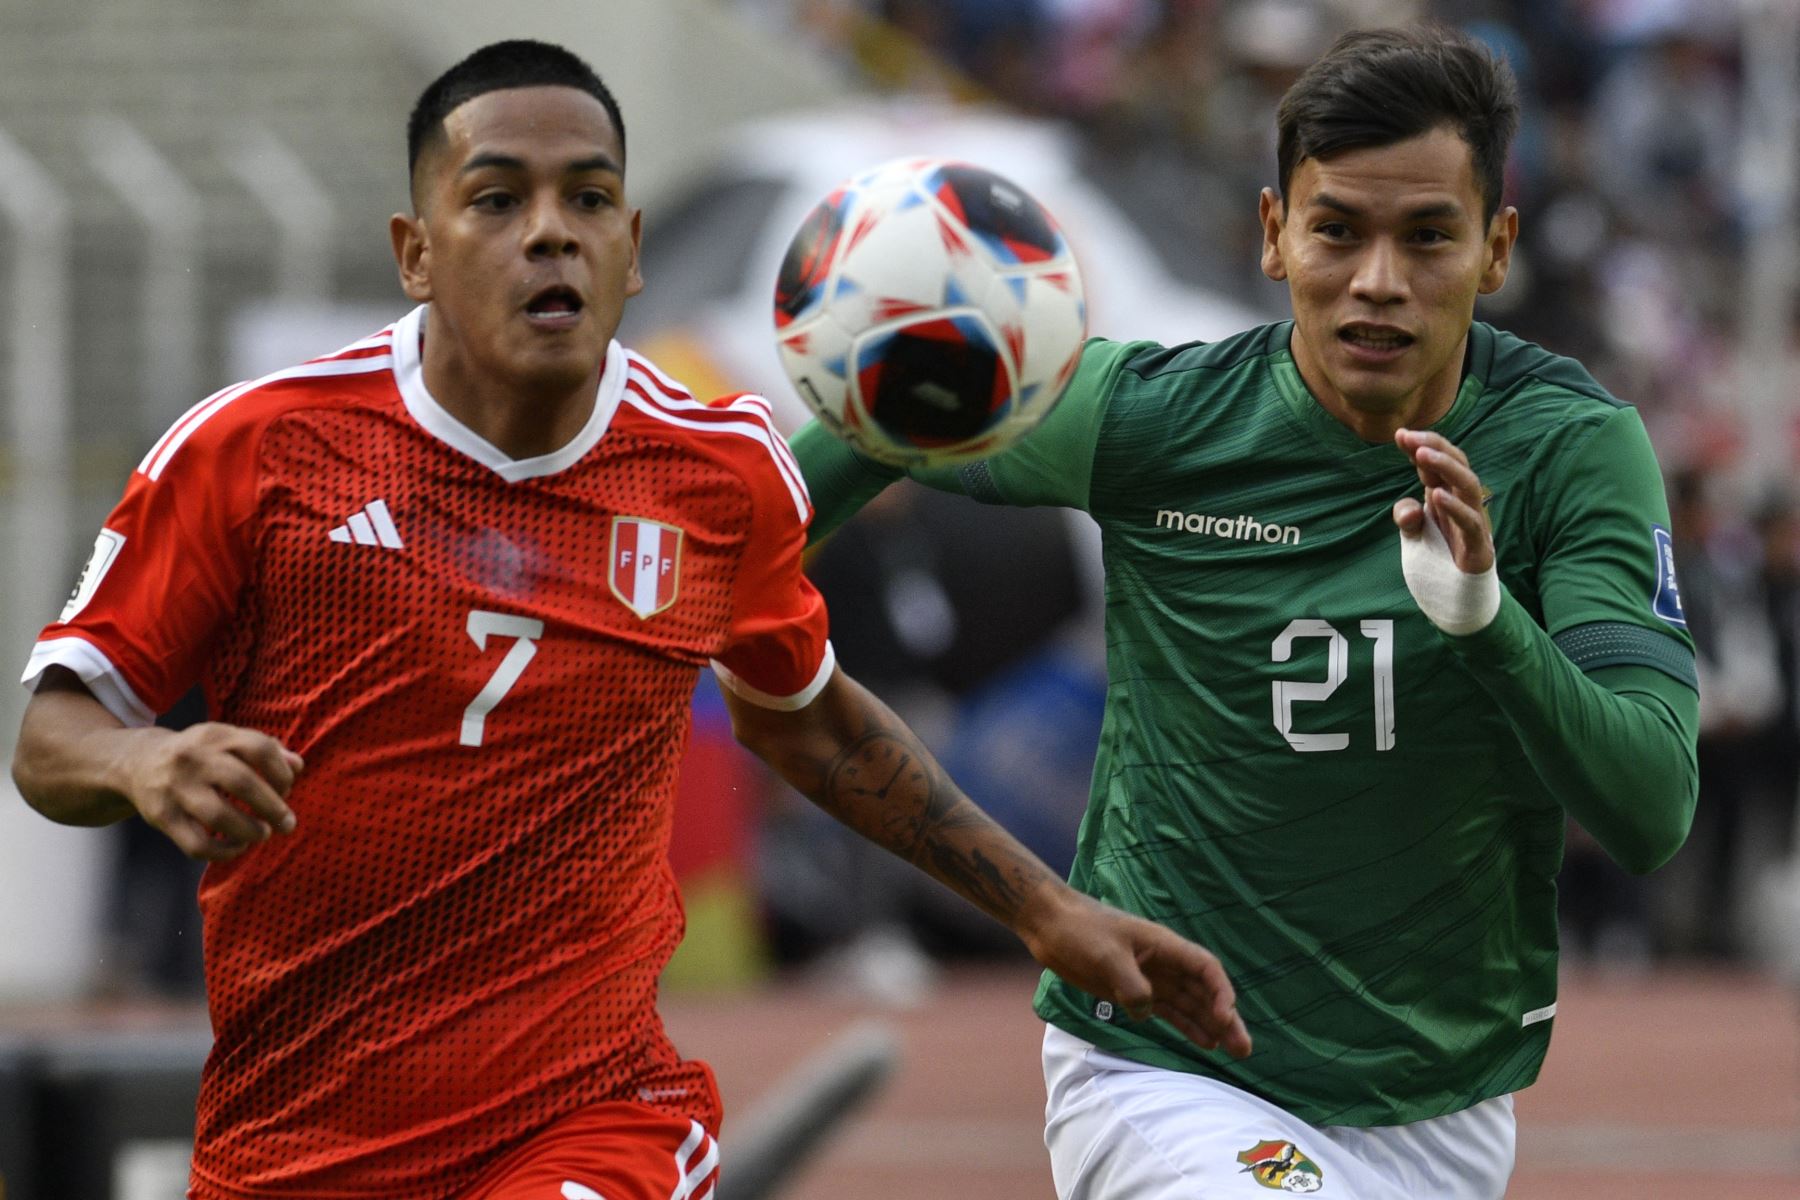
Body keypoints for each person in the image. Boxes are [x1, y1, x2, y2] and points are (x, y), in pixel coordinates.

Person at [8, 39, 1249, 1200]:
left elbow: (809, 724)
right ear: (415, 249)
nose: (550, 232)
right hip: (296, 1134)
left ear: (635, 243)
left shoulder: (719, 470)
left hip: (595, 1118)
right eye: (497, 200)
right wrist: (147, 757)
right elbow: (52, 740)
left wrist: (1048, 910)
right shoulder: (257, 449)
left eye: (588, 199)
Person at [792, 24, 1699, 1199]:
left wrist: (1487, 622)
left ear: (1496, 249)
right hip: (1163, 1067)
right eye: (1338, 230)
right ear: (1275, 235)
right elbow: (892, 406)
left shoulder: (1574, 453)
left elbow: (1652, 808)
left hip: (1444, 1102)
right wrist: (703, 580)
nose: (1379, 280)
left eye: (1428, 235)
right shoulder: (1157, 423)